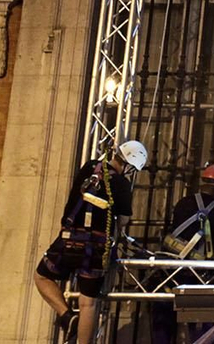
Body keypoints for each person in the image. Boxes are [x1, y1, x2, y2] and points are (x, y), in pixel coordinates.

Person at [34, 140, 147, 344]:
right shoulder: (121, 184)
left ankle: (67, 316)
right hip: (96, 249)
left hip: (69, 240)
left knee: (42, 276)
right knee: (88, 303)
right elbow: (123, 220)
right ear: (129, 166)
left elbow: (73, 197)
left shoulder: (89, 167)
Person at [149, 163, 214, 344]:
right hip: (198, 274)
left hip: (170, 269)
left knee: (164, 313)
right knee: (203, 315)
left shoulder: (183, 203)